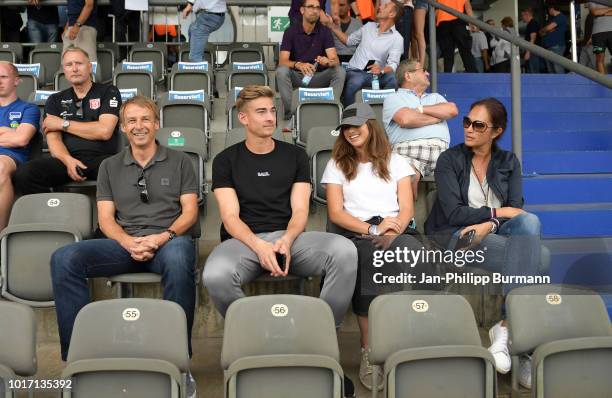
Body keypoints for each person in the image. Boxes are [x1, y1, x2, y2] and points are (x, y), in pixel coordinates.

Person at [203, 85, 358, 396]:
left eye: (273, 110)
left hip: (290, 238)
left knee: (344, 250)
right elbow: (231, 218)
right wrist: (259, 246)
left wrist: (286, 240)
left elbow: (300, 210)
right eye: (261, 112)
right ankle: (256, 340)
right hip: (244, 242)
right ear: (243, 118)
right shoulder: (225, 160)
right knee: (214, 274)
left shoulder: (295, 155)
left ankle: (319, 341)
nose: (270, 117)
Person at [50, 95, 199, 396]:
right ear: (123, 127)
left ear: (157, 124)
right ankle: (77, 359)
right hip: (123, 242)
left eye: (145, 119)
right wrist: (128, 242)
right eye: (131, 120)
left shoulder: (181, 161)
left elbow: (190, 212)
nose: (139, 126)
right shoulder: (109, 166)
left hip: (166, 242)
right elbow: (105, 219)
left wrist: (161, 238)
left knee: (181, 254)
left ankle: (179, 363)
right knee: (64, 258)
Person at [425, 97, 549, 389]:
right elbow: (454, 212)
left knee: (529, 223)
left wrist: (490, 224)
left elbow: (516, 209)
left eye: (478, 125)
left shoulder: (508, 162)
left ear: (496, 131)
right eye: (467, 122)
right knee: (539, 257)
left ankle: (506, 330)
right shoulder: (449, 160)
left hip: (492, 234)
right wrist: (496, 213)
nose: (468, 129)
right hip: (457, 237)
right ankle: (520, 345)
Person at [322, 102, 431, 390]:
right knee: (368, 260)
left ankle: (403, 342)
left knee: (417, 256)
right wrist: (372, 229)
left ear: (372, 126)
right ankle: (369, 350)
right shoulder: (337, 164)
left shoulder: (396, 161)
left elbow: (407, 206)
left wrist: (393, 229)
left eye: (356, 126)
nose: (350, 132)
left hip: (395, 227)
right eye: (345, 128)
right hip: (358, 230)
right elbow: (336, 213)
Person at [13, 47, 121, 194]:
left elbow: (104, 131)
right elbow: (54, 139)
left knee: (124, 171)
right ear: (64, 70)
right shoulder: (55, 100)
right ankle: (53, 208)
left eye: (79, 63)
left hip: (102, 160)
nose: (74, 69)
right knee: (24, 174)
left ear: (90, 67)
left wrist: (62, 123)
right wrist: (68, 161)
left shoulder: (109, 91)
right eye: (69, 65)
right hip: (65, 160)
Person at [382, 60, 457, 198]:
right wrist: (437, 117)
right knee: (408, 176)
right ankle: (408, 218)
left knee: (462, 179)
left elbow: (451, 110)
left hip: (443, 154)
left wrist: (420, 110)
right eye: (423, 70)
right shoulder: (393, 98)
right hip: (408, 152)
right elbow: (406, 119)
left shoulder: (435, 97)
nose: (427, 73)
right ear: (408, 76)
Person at [323, 0, 404, 107]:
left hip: (377, 74)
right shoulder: (368, 26)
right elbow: (349, 41)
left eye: (385, 6)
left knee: (392, 79)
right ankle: (349, 114)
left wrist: (382, 70)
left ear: (392, 14)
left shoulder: (397, 38)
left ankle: (386, 110)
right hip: (356, 71)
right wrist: (332, 26)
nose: (379, 7)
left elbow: (393, 64)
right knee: (356, 81)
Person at [277, 0, 345, 120]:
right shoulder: (290, 31)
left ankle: (331, 109)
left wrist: (328, 61)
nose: (314, 10)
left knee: (339, 71)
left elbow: (335, 60)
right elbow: (282, 61)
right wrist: (298, 64)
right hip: (299, 77)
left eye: (318, 8)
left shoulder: (325, 31)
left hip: (319, 76)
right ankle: (292, 113)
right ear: (302, 10)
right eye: (311, 7)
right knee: (282, 71)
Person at [0, 62, 40, 230]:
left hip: (11, 157)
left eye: (3, 77)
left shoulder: (28, 108)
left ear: (16, 81)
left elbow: (21, 139)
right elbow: (15, 136)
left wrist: (14, 136)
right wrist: (6, 132)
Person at [435, 0, 477, 72]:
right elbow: (467, 4)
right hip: (457, 19)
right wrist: (472, 21)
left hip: (444, 21)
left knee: (448, 53)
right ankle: (473, 74)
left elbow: (435, 8)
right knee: (464, 49)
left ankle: (447, 76)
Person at [540, 5, 567, 74]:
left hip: (556, 46)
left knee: (557, 68)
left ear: (552, 9)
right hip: (550, 46)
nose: (548, 12)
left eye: (549, 10)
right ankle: (554, 84)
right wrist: (546, 30)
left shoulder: (561, 17)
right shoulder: (553, 19)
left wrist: (544, 30)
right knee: (551, 69)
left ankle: (561, 83)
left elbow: (548, 28)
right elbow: (545, 31)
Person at [588, 2, 612, 75]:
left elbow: (598, 12)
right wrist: (610, 9)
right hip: (598, 34)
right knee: (599, 59)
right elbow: (595, 12)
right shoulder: (593, 1)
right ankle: (604, 82)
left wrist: (602, 12)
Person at [521, 7, 541, 73]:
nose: (522, 17)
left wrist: (528, 52)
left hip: (533, 52)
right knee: (531, 71)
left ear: (527, 14)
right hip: (532, 51)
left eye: (522, 15)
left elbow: (533, 38)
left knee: (533, 72)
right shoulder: (530, 24)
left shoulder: (532, 23)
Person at [411, 0, 429, 67]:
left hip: (421, 2)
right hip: (413, 3)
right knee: (414, 34)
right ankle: (415, 62)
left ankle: (421, 65)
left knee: (419, 33)